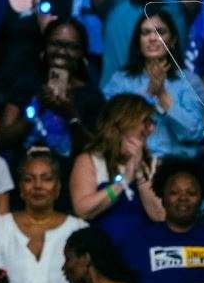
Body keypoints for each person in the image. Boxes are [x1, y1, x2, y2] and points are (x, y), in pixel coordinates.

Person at [0, 149, 87, 283]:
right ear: (20, 188)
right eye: (29, 179)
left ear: (58, 187)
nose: (38, 186)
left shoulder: (79, 230)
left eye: (47, 179)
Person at [0, 19, 103, 176]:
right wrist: (37, 107)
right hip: (23, 177)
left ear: (81, 52)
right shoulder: (27, 84)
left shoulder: (91, 95)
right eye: (56, 44)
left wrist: (71, 116)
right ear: (45, 46)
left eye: (71, 47)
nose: (61, 51)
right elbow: (2, 138)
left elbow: (98, 150)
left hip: (68, 182)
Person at [103, 10, 204, 159]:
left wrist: (162, 96)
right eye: (145, 33)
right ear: (138, 41)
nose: (153, 38)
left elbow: (195, 133)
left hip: (175, 166)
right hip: (130, 164)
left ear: (172, 40)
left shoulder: (189, 81)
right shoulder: (121, 80)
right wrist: (145, 97)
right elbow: (109, 127)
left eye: (160, 32)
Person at [69, 94, 165, 234]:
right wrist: (123, 182)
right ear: (124, 123)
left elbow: (160, 216)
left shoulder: (154, 164)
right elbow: (83, 211)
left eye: (152, 123)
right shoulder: (90, 161)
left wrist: (139, 172)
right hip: (103, 247)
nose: (151, 129)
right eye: (146, 121)